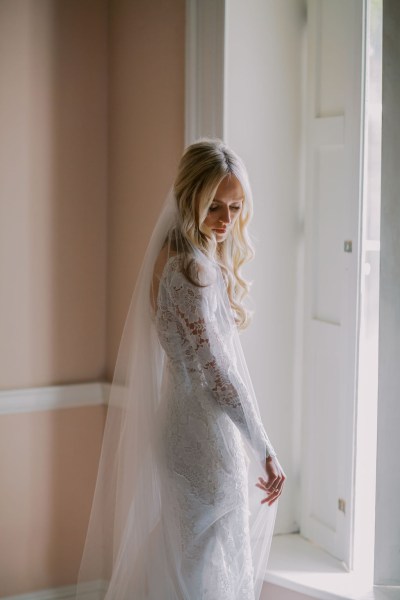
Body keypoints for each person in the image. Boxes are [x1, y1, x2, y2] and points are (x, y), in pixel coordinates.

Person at [75, 138, 285, 600]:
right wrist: (264, 447)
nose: (226, 221)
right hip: (205, 438)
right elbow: (218, 373)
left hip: (179, 425)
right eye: (215, 207)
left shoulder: (169, 258)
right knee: (205, 562)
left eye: (234, 208)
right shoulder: (194, 271)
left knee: (186, 553)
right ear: (190, 197)